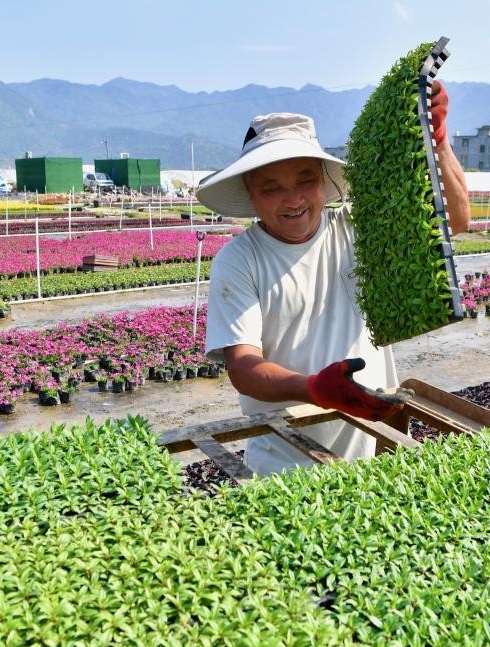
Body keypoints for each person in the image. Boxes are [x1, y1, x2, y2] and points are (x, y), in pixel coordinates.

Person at [197, 82, 470, 477]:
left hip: (374, 449)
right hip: (285, 462)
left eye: (304, 180)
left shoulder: (357, 227)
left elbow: (456, 221)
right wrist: (316, 389)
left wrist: (437, 141)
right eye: (271, 187)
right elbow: (244, 369)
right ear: (251, 194)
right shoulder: (240, 259)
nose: (293, 200)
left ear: (324, 181)